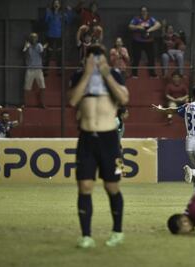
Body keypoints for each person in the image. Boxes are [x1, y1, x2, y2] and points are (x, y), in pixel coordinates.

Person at [67, 44, 129, 248]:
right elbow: (72, 101)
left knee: (113, 186)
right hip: (86, 139)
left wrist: (105, 74)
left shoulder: (115, 75)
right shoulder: (78, 76)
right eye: (91, 58)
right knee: (84, 186)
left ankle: (117, 232)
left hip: (111, 140)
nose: (95, 61)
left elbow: (123, 98)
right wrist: (87, 73)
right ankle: (86, 236)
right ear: (85, 59)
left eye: (99, 58)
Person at [128, 6, 161, 78]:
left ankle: (152, 74)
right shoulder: (136, 19)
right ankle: (134, 74)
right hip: (137, 41)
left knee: (151, 58)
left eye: (145, 11)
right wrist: (138, 27)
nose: (144, 12)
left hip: (149, 41)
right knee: (136, 58)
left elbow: (158, 25)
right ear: (140, 12)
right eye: (142, 11)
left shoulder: (151, 19)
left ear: (147, 12)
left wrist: (149, 30)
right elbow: (130, 26)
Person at [44, 0, 73, 76]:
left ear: (60, 5)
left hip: (59, 36)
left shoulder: (62, 14)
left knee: (59, 53)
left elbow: (69, 21)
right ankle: (45, 70)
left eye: (57, 4)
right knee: (48, 53)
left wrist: (69, 12)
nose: (56, 5)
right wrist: (47, 12)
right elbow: (46, 20)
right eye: (55, 3)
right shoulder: (50, 12)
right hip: (50, 35)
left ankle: (59, 70)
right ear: (53, 5)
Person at [23, 33, 47, 108]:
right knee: (26, 88)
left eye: (35, 37)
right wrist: (26, 48)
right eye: (32, 38)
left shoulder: (39, 45)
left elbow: (43, 56)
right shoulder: (28, 46)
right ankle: (25, 104)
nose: (34, 39)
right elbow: (25, 56)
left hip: (38, 69)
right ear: (30, 38)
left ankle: (42, 103)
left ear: (37, 38)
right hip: (30, 69)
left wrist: (43, 49)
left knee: (42, 87)